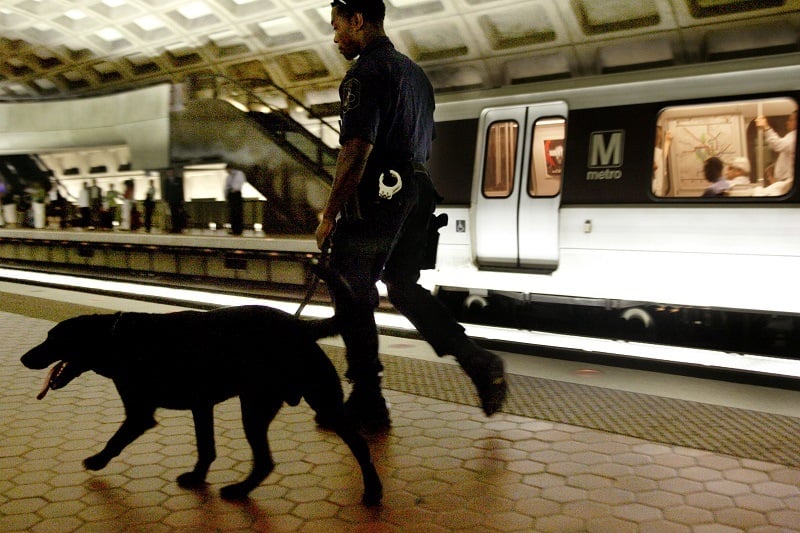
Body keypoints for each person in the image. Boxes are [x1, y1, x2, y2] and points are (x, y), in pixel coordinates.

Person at [314, 0, 507, 432]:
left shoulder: (363, 75)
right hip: (418, 191)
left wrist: (329, 215)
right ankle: (478, 361)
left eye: (337, 27)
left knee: (351, 289)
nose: (335, 37)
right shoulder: (417, 76)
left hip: (381, 192)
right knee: (402, 286)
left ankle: (367, 398)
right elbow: (423, 141)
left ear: (357, 20)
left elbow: (356, 149)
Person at [756, 110, 796, 183]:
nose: (787, 122)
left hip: (787, 179)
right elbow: (787, 154)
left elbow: (778, 145)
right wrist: (775, 165)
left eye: (791, 120)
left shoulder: (794, 136)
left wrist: (766, 127)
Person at [224, 164, 246, 235]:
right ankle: (234, 229)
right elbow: (226, 187)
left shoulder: (239, 174)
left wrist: (234, 189)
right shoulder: (229, 176)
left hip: (236, 194)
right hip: (231, 195)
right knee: (232, 213)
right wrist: (226, 196)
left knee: (237, 212)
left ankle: (238, 230)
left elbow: (239, 184)